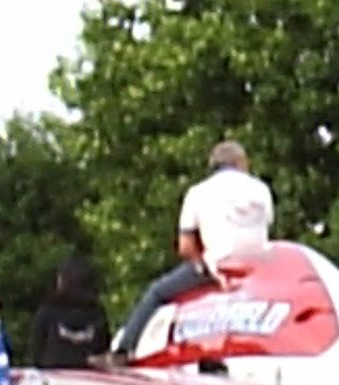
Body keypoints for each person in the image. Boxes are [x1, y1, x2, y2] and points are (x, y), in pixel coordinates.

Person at [111, 140, 274, 356]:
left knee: (156, 292)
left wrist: (201, 264)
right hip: (258, 267)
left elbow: (185, 247)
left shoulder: (199, 192)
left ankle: (123, 349)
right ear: (241, 163)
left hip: (221, 266)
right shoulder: (261, 189)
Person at [32, 254, 111, 369]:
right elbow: (103, 349)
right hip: (91, 380)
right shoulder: (97, 313)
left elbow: (38, 355)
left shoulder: (48, 311)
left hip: (57, 379)